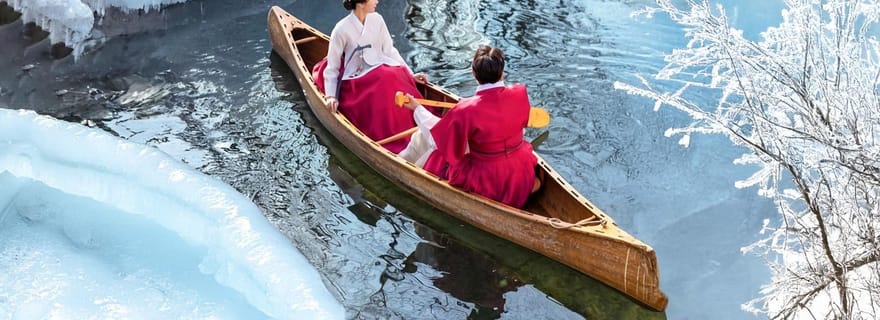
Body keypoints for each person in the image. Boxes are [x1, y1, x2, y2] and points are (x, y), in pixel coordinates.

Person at [398, 45, 538, 208]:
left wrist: (417, 109)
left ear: (473, 72)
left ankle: (403, 166)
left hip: (487, 179)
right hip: (522, 170)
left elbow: (439, 139)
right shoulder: (520, 93)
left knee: (438, 155)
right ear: (502, 72)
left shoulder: (466, 109)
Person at [312, 0, 428, 153]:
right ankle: (391, 135)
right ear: (361, 2)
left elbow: (389, 51)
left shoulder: (377, 19)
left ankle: (418, 125)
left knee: (395, 74)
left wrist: (410, 74)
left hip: (379, 70)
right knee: (384, 78)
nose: (377, 1)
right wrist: (331, 96)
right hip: (354, 80)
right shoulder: (341, 29)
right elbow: (332, 68)